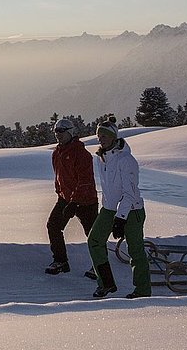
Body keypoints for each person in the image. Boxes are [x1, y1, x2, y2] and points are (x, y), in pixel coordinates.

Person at [88, 115, 151, 298]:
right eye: (99, 136)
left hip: (131, 211)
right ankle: (106, 283)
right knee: (94, 241)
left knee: (135, 250)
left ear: (114, 137)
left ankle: (142, 290)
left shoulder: (126, 160)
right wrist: (109, 210)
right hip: (109, 209)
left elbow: (129, 194)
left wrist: (120, 218)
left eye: (105, 136)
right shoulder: (102, 158)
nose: (101, 139)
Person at [45, 118, 98, 278]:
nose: (58, 134)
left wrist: (75, 202)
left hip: (86, 200)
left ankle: (99, 266)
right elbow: (59, 176)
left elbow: (85, 180)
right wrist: (60, 192)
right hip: (65, 198)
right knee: (53, 226)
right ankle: (61, 261)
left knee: (94, 235)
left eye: (62, 131)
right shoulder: (57, 153)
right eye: (56, 131)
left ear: (70, 132)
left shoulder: (81, 154)